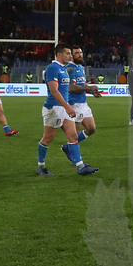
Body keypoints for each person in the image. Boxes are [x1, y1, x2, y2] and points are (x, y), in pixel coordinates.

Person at [35, 44, 98, 177]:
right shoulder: (52, 68)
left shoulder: (63, 69)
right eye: (67, 53)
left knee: (73, 136)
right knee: (48, 138)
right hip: (54, 108)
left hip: (64, 108)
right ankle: (41, 166)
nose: (70, 56)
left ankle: (80, 167)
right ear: (59, 54)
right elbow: (54, 91)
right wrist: (67, 107)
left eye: (70, 53)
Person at [62, 46, 101, 168]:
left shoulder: (81, 68)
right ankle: (77, 162)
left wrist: (91, 92)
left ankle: (68, 147)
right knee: (75, 134)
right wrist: (89, 88)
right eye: (77, 53)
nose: (80, 55)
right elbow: (71, 87)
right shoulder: (69, 68)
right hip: (74, 104)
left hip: (84, 103)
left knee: (91, 129)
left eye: (81, 52)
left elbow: (82, 84)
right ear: (71, 56)